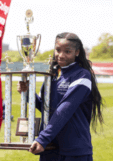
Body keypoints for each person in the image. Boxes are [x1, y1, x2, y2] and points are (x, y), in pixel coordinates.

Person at [17, 32, 104, 161]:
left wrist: (43, 138)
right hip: (50, 149)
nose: (61, 55)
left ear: (77, 52)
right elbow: (47, 108)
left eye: (67, 51)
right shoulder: (52, 76)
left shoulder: (82, 75)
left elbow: (65, 109)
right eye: (58, 50)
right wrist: (29, 93)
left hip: (74, 151)